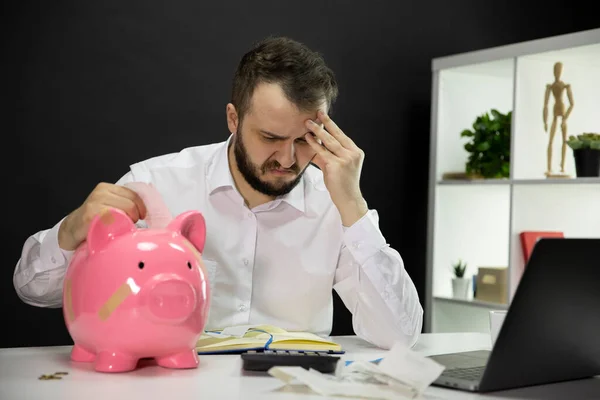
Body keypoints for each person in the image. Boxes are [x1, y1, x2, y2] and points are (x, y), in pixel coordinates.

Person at [13, 36, 423, 349]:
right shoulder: (156, 184)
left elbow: (401, 335)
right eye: (270, 137)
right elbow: (33, 291)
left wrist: (353, 205)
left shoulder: (335, 203)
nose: (288, 159)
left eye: (305, 140)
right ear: (233, 118)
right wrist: (70, 232)